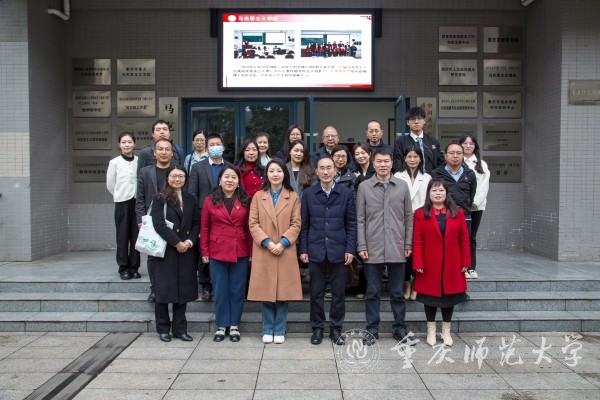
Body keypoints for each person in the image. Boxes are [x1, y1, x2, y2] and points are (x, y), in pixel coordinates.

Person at [356, 148, 413, 345]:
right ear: (373, 163)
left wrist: (408, 243)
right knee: (372, 292)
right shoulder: (364, 187)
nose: (383, 164)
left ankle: (400, 328)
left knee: (397, 292)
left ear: (392, 163)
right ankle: (372, 330)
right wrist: (361, 245)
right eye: (379, 161)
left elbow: (408, 218)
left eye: (386, 161)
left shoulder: (402, 186)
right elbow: (360, 219)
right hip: (372, 246)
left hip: (397, 245)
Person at [299, 156, 356, 346]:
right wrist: (303, 249)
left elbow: (351, 223)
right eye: (322, 168)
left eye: (329, 168)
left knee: (338, 293)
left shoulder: (345, 193)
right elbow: (304, 224)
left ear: (335, 170)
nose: (325, 171)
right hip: (315, 249)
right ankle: (317, 328)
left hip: (338, 249)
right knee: (316, 293)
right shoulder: (309, 194)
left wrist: (350, 248)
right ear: (316, 171)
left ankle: (336, 328)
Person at [248, 159, 302, 344]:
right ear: (267, 174)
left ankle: (279, 329)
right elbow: (253, 223)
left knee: (282, 293)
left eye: (279, 171)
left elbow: (296, 224)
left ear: (284, 174)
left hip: (285, 250)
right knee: (266, 292)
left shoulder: (292, 196)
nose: (275, 174)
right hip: (265, 249)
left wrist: (283, 242)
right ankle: (267, 328)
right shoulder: (258, 196)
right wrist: (268, 243)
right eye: (271, 171)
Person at [412, 179, 470, 347]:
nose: (438, 193)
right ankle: (431, 330)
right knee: (429, 299)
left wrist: (466, 261)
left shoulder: (457, 212)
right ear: (429, 193)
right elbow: (417, 241)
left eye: (441, 191)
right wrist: (418, 262)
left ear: (446, 193)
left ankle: (446, 331)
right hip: (429, 263)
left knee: (449, 299)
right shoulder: (420, 213)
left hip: (452, 263)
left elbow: (464, 239)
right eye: (434, 191)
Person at [201, 167, 251, 343]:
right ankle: (222, 326)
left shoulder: (245, 200)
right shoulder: (209, 200)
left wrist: (251, 252)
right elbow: (204, 227)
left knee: (237, 289)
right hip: (217, 250)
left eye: (233, 177)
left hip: (240, 249)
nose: (230, 180)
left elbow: (249, 228)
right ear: (220, 180)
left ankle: (234, 325)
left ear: (238, 182)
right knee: (220, 289)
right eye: (226, 177)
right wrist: (204, 250)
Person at [150, 165, 199, 342]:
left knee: (182, 291)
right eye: (173, 176)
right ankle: (163, 328)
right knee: (164, 290)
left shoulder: (191, 199)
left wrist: (189, 242)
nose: (177, 179)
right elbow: (159, 224)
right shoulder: (159, 198)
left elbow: (196, 224)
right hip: (166, 251)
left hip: (186, 251)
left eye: (181, 176)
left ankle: (180, 329)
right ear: (167, 178)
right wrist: (177, 242)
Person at [188, 133, 234, 301]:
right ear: (207, 149)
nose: (216, 147)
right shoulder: (198, 168)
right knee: (204, 250)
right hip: (204, 215)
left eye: (218, 144)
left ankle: (219, 285)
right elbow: (192, 194)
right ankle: (206, 286)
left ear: (223, 147)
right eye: (212, 145)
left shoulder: (230, 167)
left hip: (225, 216)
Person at [135, 138, 175, 302]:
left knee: (172, 255)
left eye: (167, 149)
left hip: (173, 218)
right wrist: (140, 220)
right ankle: (155, 289)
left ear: (172, 153)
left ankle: (171, 288)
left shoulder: (177, 171)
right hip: (151, 220)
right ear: (154, 152)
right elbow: (140, 198)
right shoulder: (145, 172)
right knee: (153, 255)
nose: (164, 152)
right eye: (160, 149)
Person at [431, 142, 477, 278]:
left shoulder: (470, 174)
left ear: (463, 156)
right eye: (452, 153)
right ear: (445, 156)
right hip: (443, 214)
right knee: (445, 242)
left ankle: (467, 267)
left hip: (464, 213)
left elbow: (471, 194)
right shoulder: (436, 173)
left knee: (465, 240)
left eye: (459, 153)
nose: (455, 156)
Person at [394, 146, 432, 300]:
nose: (412, 160)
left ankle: (416, 283)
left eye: (415, 157)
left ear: (420, 159)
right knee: (404, 253)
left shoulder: (427, 177)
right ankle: (406, 284)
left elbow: (429, 199)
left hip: (421, 218)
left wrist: (418, 211)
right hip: (401, 219)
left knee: (418, 251)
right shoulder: (397, 176)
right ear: (404, 158)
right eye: (409, 156)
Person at [106, 132, 140, 280]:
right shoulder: (114, 162)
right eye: (124, 142)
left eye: (129, 142)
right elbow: (110, 183)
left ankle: (134, 267)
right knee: (122, 237)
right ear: (119, 145)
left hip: (137, 202)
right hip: (122, 202)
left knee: (136, 237)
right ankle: (123, 268)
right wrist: (119, 194)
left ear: (134, 144)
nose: (127, 145)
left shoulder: (139, 161)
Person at [459, 134, 490, 279]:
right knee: (460, 236)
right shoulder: (456, 161)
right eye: (465, 143)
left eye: (471, 143)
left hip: (475, 207)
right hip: (459, 207)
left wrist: (474, 203)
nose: (468, 146)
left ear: (475, 146)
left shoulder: (481, 164)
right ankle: (461, 266)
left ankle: (471, 267)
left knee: (471, 236)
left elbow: (484, 186)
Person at [352, 142, 376, 300]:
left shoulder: (375, 171)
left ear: (370, 154)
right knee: (361, 253)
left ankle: (372, 288)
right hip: (358, 215)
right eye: (357, 154)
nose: (360, 156)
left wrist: (360, 179)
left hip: (373, 216)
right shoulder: (353, 171)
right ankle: (362, 286)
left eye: (363, 153)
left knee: (372, 254)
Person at [393, 107, 444, 174]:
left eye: (419, 118)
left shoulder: (433, 141)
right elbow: (398, 164)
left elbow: (440, 163)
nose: (416, 122)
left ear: (424, 121)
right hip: (408, 178)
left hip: (431, 178)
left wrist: (434, 176)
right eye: (413, 119)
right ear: (407, 122)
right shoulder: (401, 142)